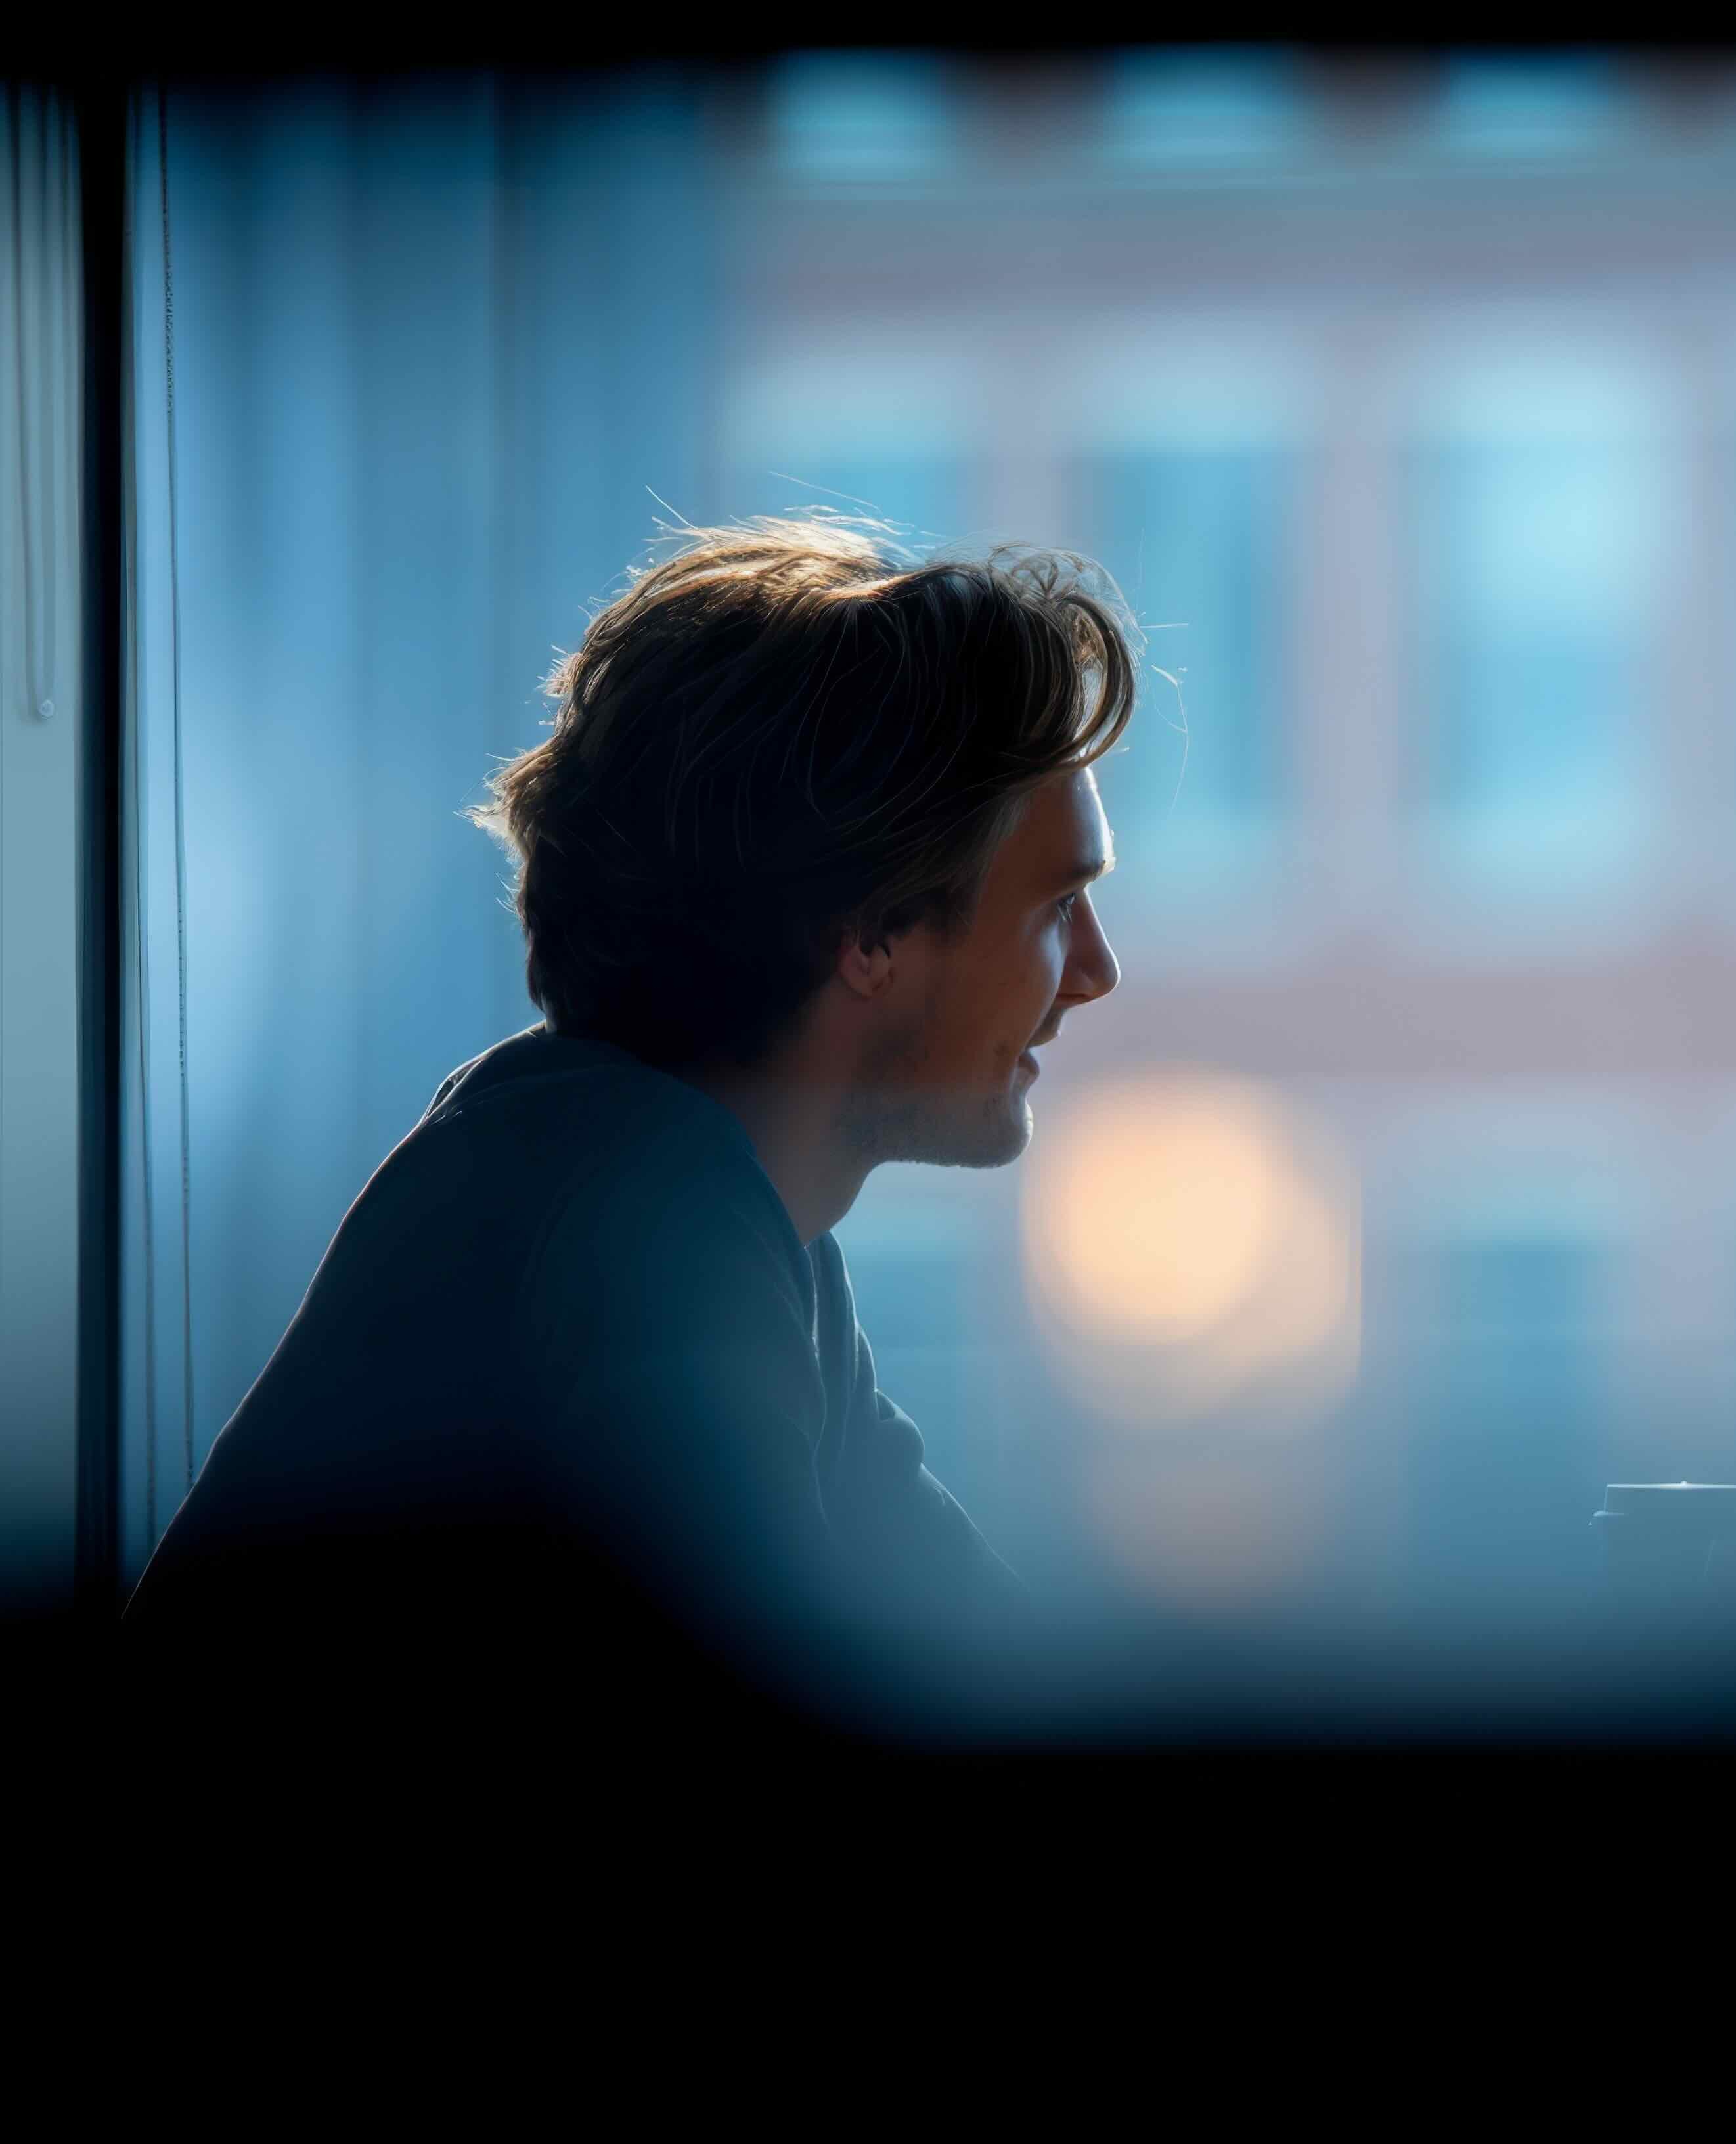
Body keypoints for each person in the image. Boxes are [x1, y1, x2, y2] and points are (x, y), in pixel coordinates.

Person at [125, 519, 1132, 1733]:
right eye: (1059, 906)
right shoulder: (640, 1222)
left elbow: (979, 1654)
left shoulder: (703, 1200)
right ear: (870, 934)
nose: (1095, 971)